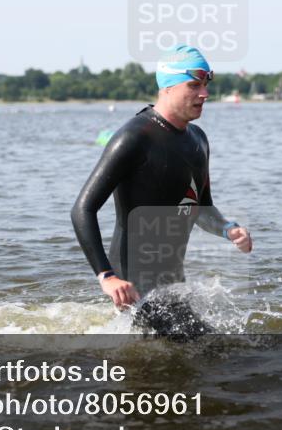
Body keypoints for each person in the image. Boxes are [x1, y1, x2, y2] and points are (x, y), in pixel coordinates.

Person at [71, 45, 253, 320]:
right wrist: (107, 276)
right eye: (193, 85)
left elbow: (200, 207)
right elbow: (82, 209)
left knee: (210, 355)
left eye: (205, 85)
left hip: (172, 283)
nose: (204, 94)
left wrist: (228, 228)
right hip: (133, 285)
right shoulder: (134, 138)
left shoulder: (199, 140)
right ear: (167, 87)